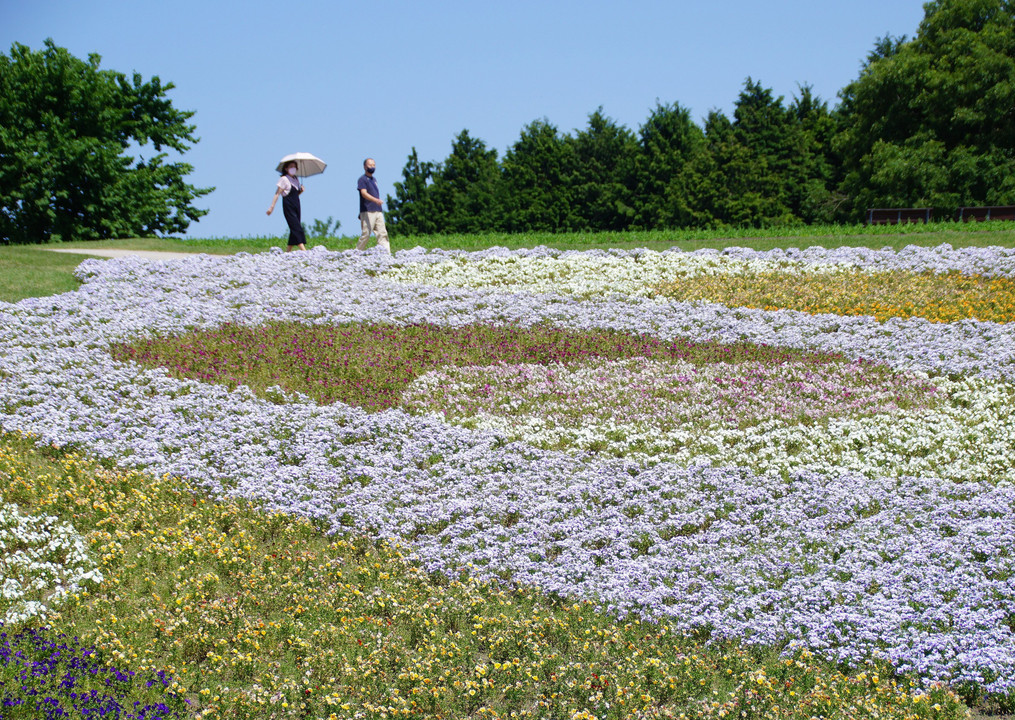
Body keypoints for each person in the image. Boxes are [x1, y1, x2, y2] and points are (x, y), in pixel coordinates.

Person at [267, 160, 307, 251]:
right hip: (288, 206)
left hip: (296, 205)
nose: (293, 168)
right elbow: (277, 194)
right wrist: (271, 207)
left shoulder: (296, 179)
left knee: (294, 227)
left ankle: (287, 252)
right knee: (296, 228)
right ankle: (304, 251)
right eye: (291, 166)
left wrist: (301, 191)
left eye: (294, 167)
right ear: (286, 168)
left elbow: (295, 194)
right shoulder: (284, 179)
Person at [356, 158, 390, 253]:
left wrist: (377, 203)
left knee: (382, 233)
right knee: (366, 234)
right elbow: (364, 193)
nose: (372, 167)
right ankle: (356, 253)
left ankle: (386, 254)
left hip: (378, 210)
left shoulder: (374, 180)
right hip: (368, 210)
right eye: (370, 165)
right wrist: (376, 200)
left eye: (374, 165)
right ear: (364, 166)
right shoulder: (362, 180)